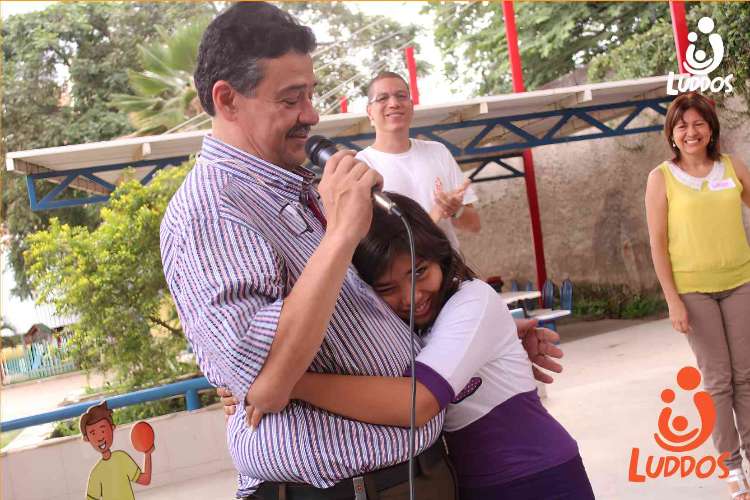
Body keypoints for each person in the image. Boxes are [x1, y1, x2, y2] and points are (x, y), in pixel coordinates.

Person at [162, 3, 562, 498]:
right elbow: (267, 381)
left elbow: (355, 315)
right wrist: (340, 235)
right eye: (290, 99)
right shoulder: (211, 212)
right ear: (227, 100)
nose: (311, 115)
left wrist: (468, 342)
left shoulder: (298, 184)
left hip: (416, 473)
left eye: (310, 94)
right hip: (343, 488)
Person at [227, 192, 593, 500]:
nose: (412, 296)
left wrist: (284, 383)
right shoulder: (400, 325)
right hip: (469, 483)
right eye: (387, 289)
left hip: (537, 477)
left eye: (419, 272)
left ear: (441, 257)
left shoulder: (474, 299)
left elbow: (418, 402)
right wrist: (242, 380)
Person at [645, 91, 750, 500]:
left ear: (711, 128)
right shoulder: (661, 178)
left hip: (741, 281)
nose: (691, 132)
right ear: (672, 133)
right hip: (693, 291)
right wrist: (672, 299)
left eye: (698, 123)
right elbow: (657, 243)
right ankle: (732, 467)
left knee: (747, 376)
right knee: (719, 381)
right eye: (682, 125)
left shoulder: (731, 167)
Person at [356, 72, 480, 249]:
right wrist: (435, 214)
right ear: (370, 112)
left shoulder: (438, 151)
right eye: (382, 98)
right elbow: (371, 244)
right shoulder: (361, 165)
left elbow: (474, 225)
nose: (394, 103)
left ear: (412, 106)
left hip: (451, 263)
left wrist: (456, 210)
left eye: (401, 96)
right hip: (407, 268)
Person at [81, 401, 153, 500]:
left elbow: (145, 480)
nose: (99, 438)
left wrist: (147, 453)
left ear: (112, 428)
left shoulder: (122, 458)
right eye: (93, 433)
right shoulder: (95, 474)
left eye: (102, 430)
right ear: (87, 438)